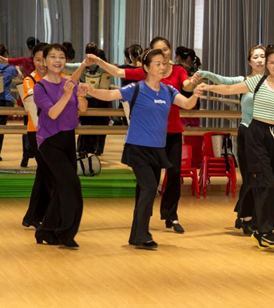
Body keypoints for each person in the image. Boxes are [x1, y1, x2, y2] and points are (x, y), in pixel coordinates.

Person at [81, 49, 205, 249]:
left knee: (149, 189)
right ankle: (142, 235)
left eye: (164, 63)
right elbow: (110, 94)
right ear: (146, 68)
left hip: (157, 149)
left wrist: (195, 94)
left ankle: (136, 235)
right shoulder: (136, 88)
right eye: (157, 64)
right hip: (138, 147)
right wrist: (91, 91)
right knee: (149, 187)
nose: (162, 67)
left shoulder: (168, 90)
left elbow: (187, 104)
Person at [200, 45, 274, 250]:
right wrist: (209, 88)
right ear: (267, 65)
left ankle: (259, 226)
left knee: (269, 183)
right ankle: (265, 230)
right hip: (256, 134)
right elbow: (230, 89)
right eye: (272, 62)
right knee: (264, 181)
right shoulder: (257, 81)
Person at [198, 45, 266, 235]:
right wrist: (204, 74)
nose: (259, 60)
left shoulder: (273, 82)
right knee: (251, 176)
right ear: (249, 61)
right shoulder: (244, 81)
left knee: (263, 179)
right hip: (247, 133)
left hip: (265, 134)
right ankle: (247, 217)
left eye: (262, 56)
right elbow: (224, 82)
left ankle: (247, 214)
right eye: (255, 57)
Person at [32, 44, 88, 249]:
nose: (58, 61)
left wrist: (81, 95)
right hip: (49, 141)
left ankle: (46, 230)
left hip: (68, 138)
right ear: (44, 61)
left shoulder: (69, 83)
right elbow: (53, 113)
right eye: (53, 57)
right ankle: (66, 232)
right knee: (72, 184)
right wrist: (66, 94)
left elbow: (82, 109)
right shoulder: (40, 87)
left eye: (61, 57)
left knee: (62, 186)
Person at [0, 37, 39, 167]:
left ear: (28, 48)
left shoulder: (24, 60)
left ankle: (25, 156)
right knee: (38, 127)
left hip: (25, 97)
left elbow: (0, 61)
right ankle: (37, 155)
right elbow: (14, 71)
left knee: (26, 127)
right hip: (27, 97)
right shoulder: (18, 66)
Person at [21, 42, 51, 229]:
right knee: (49, 174)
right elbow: (37, 102)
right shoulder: (29, 80)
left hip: (55, 133)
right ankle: (50, 215)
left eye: (44, 59)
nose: (41, 64)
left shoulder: (59, 78)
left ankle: (33, 216)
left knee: (44, 173)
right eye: (37, 60)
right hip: (37, 132)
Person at [76, 48, 111, 156]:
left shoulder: (87, 68)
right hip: (100, 100)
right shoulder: (106, 69)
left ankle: (84, 149)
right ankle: (95, 150)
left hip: (92, 100)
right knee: (98, 126)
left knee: (88, 125)